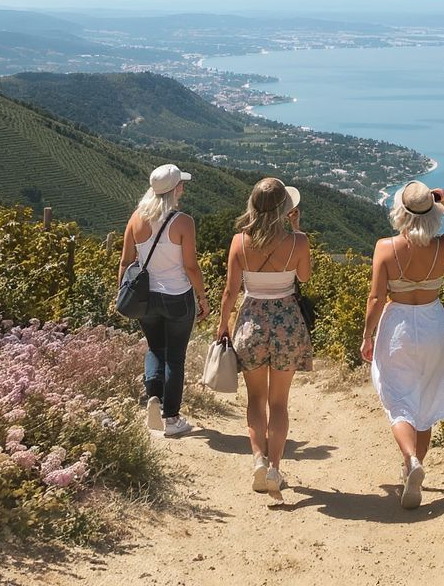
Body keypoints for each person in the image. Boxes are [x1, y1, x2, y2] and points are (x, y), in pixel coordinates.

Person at [361, 181, 444, 509]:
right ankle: (413, 466)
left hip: (397, 325)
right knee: (425, 401)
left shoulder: (385, 248)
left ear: (400, 211)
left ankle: (410, 460)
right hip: (432, 326)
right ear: (432, 212)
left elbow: (375, 298)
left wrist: (367, 336)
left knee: (398, 400)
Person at [218, 178, 312, 493]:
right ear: (286, 208)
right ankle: (275, 468)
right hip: (287, 321)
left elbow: (231, 291)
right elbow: (305, 277)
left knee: (256, 399)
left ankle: (258, 459)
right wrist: (296, 230)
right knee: (279, 403)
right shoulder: (299, 242)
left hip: (251, 322)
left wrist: (223, 325)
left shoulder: (239, 242)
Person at [119, 163, 209, 437]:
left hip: (146, 298)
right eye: (181, 183)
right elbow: (191, 267)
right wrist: (202, 297)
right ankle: (171, 419)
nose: (183, 187)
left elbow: (125, 261)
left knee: (155, 348)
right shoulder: (183, 222)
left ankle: (153, 399)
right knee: (175, 357)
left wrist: (120, 294)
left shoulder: (136, 218)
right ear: (174, 190)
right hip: (177, 297)